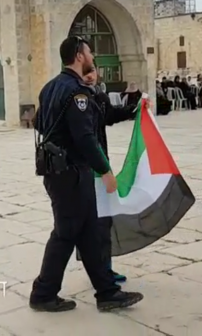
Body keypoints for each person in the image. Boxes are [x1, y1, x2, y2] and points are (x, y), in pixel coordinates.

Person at [30, 36, 143, 313]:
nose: (92, 55)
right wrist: (105, 170)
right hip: (71, 174)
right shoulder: (77, 92)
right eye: (89, 51)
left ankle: (107, 292)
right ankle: (43, 293)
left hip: (60, 171)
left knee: (89, 231)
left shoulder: (51, 88)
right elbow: (84, 137)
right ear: (79, 56)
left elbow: (40, 123)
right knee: (66, 233)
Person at [82, 66, 137, 283]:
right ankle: (98, 271)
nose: (89, 75)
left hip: (100, 166)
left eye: (92, 71)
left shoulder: (97, 95)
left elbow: (110, 115)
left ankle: (104, 269)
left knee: (103, 221)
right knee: (82, 226)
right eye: (85, 71)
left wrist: (135, 108)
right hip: (84, 170)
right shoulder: (75, 96)